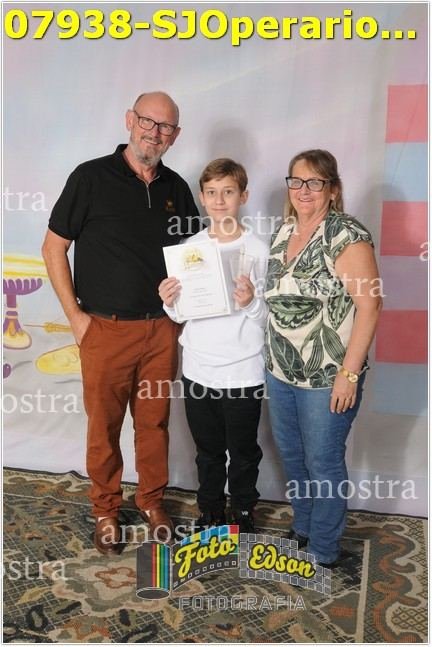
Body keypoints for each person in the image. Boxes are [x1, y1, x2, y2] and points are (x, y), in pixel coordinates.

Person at [41, 91, 201, 553]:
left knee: (154, 425)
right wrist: (76, 318)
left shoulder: (176, 188)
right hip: (104, 329)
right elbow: (53, 248)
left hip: (161, 330)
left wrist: (184, 316)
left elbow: (194, 258)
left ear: (175, 136)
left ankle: (152, 502)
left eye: (165, 126)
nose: (155, 132)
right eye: (148, 121)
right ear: (130, 120)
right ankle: (105, 510)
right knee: (104, 426)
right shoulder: (90, 177)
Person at [265, 149, 382, 567]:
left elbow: (370, 305)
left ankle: (323, 549)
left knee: (322, 462)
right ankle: (304, 527)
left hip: (327, 376)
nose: (304, 190)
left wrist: (349, 374)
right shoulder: (283, 232)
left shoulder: (346, 235)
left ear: (333, 190)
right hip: (280, 371)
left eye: (315, 182)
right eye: (296, 181)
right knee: (293, 456)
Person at [159, 159, 268, 533]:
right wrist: (169, 301)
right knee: (207, 452)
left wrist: (251, 301)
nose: (219, 200)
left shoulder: (259, 250)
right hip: (198, 369)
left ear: (243, 196)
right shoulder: (190, 248)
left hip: (243, 370)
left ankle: (243, 511)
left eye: (228, 192)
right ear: (202, 198)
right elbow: (180, 314)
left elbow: (269, 318)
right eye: (212, 192)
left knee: (243, 451)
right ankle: (210, 511)